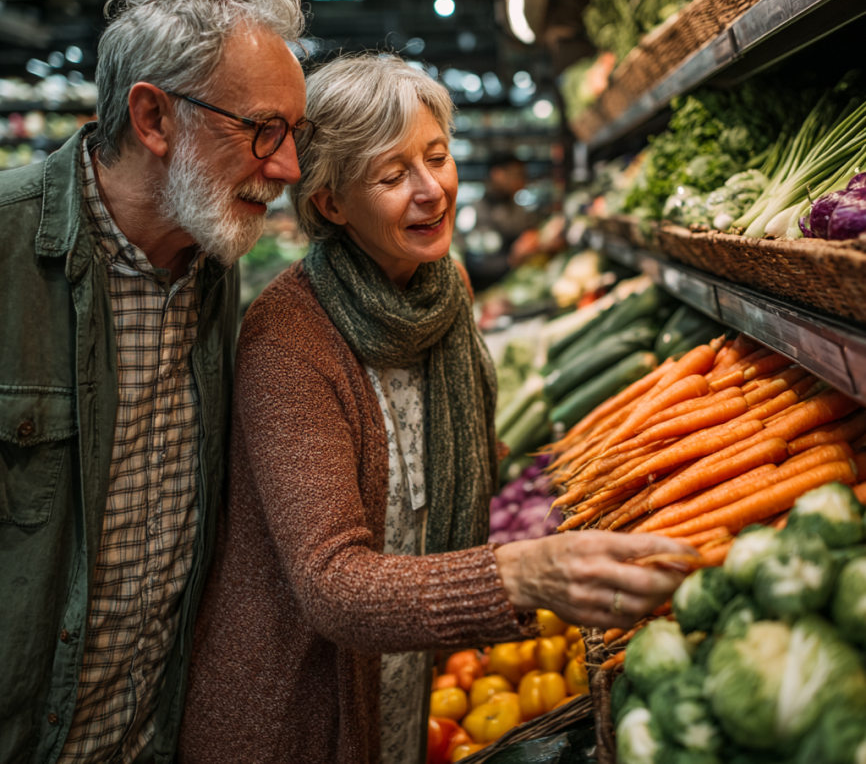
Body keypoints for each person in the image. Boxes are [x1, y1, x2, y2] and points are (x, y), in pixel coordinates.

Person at [178, 54, 691, 764]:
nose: (431, 191)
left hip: (402, 675)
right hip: (295, 712)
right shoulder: (288, 338)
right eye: (393, 176)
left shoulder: (443, 291)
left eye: (438, 157)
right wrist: (519, 573)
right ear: (330, 202)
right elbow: (330, 584)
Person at [0, 0, 309, 763]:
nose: (288, 169)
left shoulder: (211, 253)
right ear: (154, 118)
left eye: (295, 136)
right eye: (263, 130)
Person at [461, 152, 539, 292]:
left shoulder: (519, 209)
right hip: (485, 292)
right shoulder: (474, 212)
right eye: (517, 175)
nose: (522, 183)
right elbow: (475, 263)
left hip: (520, 287)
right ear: (497, 174)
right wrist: (512, 259)